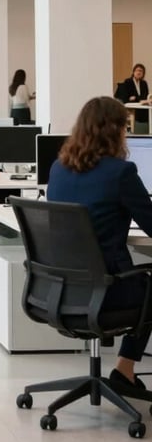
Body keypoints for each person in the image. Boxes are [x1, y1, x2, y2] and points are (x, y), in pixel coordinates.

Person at [48, 96, 152, 392]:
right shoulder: (121, 172)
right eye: (125, 128)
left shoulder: (58, 168)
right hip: (106, 290)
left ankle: (124, 370)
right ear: (115, 130)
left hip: (61, 290)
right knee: (150, 286)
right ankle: (125, 368)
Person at [115, 64, 150, 129]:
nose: (139, 72)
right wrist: (137, 98)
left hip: (141, 105)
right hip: (131, 106)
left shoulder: (144, 83)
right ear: (133, 72)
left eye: (141, 71)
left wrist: (136, 98)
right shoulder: (128, 81)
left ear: (143, 73)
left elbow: (145, 96)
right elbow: (127, 97)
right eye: (137, 70)